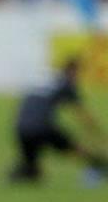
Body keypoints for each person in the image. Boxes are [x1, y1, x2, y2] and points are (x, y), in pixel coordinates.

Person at [8, 56, 108, 184]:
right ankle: (99, 165)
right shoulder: (66, 84)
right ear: (73, 72)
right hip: (42, 126)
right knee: (72, 148)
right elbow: (82, 114)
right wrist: (98, 133)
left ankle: (27, 171)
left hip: (21, 128)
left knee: (32, 169)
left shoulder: (45, 82)